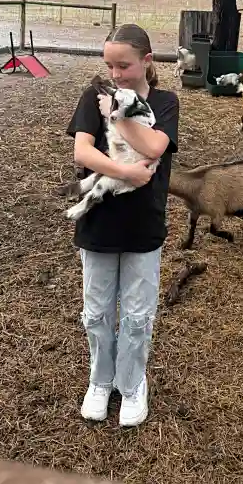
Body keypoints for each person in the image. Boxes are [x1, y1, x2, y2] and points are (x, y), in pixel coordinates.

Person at [66, 24, 179, 427]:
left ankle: (131, 384)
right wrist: (124, 173)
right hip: (98, 221)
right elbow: (82, 151)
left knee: (136, 314)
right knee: (95, 311)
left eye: (124, 66)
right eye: (109, 66)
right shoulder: (92, 96)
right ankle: (100, 381)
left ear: (147, 62)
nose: (114, 75)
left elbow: (154, 147)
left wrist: (117, 115)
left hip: (143, 224)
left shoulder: (165, 102)